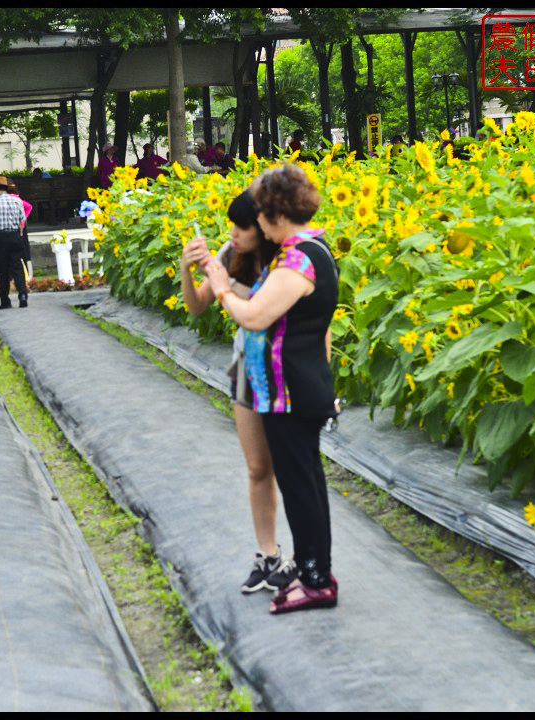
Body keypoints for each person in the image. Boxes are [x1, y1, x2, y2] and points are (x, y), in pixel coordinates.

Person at [200, 164, 339, 614]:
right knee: (307, 484)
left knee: (301, 489)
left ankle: (316, 579)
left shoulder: (299, 258)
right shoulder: (311, 248)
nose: (256, 221)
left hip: (290, 392)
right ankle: (317, 570)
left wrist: (222, 289)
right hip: (295, 387)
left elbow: (255, 316)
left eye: (260, 213)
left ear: (276, 213)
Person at [181, 190, 296, 593]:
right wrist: (189, 268)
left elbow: (262, 310)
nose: (232, 233)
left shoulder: (289, 259)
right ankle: (268, 554)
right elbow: (197, 307)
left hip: (284, 372)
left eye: (239, 226)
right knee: (257, 467)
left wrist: (224, 285)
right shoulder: (232, 253)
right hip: (247, 368)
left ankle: (301, 558)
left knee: (293, 469)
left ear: (262, 227)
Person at [0, 175, 28, 309]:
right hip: (15, 236)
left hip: (1, 238)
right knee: (17, 268)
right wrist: (19, 235)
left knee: (2, 270)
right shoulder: (17, 201)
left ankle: (5, 300)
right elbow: (22, 221)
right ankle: (22, 295)